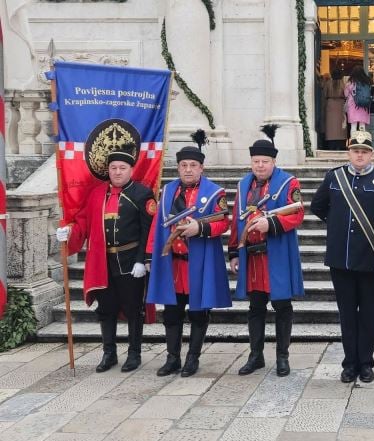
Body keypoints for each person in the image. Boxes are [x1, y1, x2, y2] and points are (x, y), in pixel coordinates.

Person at [56, 143, 155, 373]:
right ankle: (109, 353)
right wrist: (68, 232)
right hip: (102, 262)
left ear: (131, 169)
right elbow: (83, 222)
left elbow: (148, 231)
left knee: (133, 309)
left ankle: (134, 354)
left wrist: (142, 260)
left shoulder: (142, 194)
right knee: (106, 309)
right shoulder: (96, 194)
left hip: (130, 262)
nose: (117, 172)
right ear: (108, 170)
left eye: (122, 168)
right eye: (113, 168)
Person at [310, 130, 374, 383]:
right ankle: (350, 363)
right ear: (349, 153)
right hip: (341, 258)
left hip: (371, 258)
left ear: (371, 154)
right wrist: (336, 225)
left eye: (364, 151)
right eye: (355, 151)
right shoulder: (334, 177)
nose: (360, 155)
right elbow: (317, 206)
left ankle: (366, 363)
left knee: (369, 314)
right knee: (347, 314)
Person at [146, 131, 232, 377]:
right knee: (171, 313)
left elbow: (223, 222)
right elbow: (156, 225)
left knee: (198, 313)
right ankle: (172, 358)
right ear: (178, 167)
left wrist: (200, 228)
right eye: (184, 165)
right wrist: (150, 255)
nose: (188, 169)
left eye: (193, 165)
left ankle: (192, 359)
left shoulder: (215, 192)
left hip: (199, 264)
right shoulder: (167, 192)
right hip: (172, 264)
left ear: (201, 168)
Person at [230, 124, 304, 377]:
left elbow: (297, 213)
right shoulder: (243, 185)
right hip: (252, 257)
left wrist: (270, 224)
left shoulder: (289, 182)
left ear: (273, 162)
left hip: (277, 255)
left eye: (265, 161)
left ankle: (282, 357)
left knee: (282, 305)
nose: (260, 166)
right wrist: (234, 252)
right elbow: (236, 220)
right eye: (256, 161)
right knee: (256, 307)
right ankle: (256, 356)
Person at [344, 65, 372, 133]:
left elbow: (346, 94)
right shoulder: (366, 82)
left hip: (353, 105)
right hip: (364, 105)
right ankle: (362, 139)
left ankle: (354, 139)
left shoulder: (350, 83)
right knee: (362, 126)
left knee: (353, 126)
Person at [324, 69, 347, 150]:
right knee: (341, 125)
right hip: (340, 104)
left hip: (330, 104)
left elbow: (324, 94)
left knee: (331, 126)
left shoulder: (328, 83)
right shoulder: (343, 84)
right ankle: (341, 144)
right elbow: (346, 95)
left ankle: (331, 144)